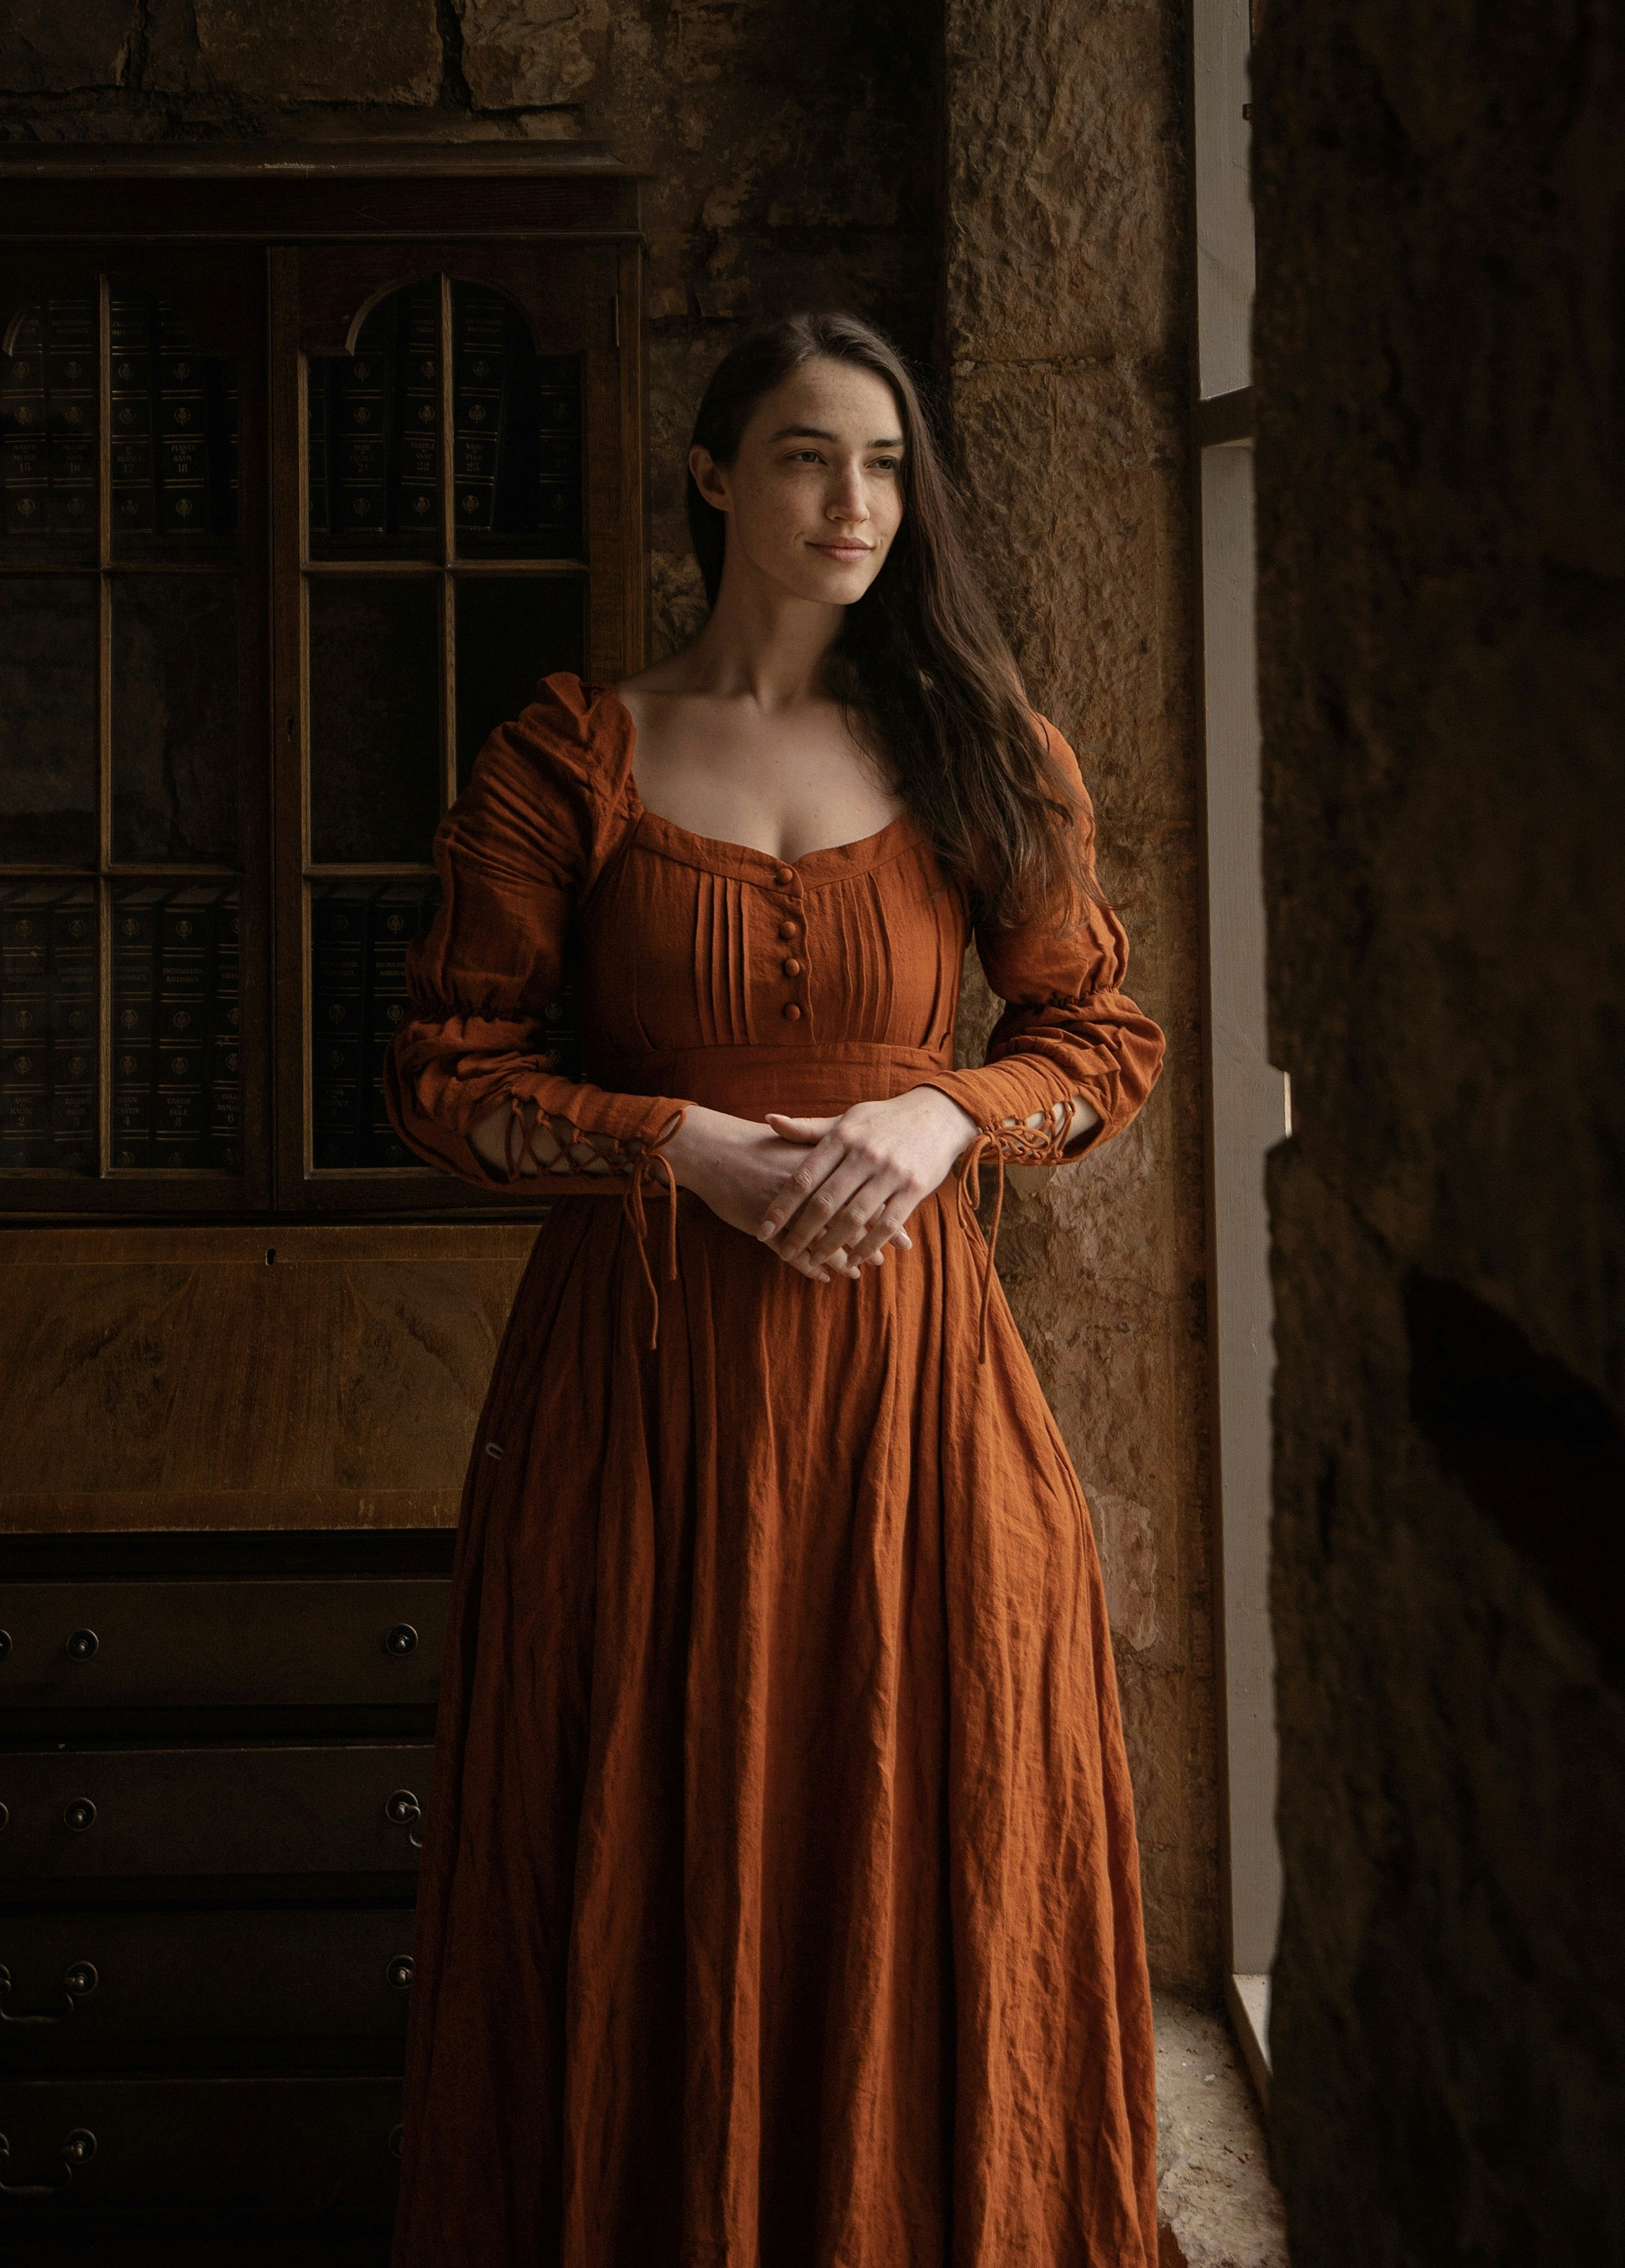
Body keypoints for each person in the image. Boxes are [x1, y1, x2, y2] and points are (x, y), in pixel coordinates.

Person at [384, 310, 1165, 2267]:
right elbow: (441, 1077)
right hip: (643, 1391)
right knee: (648, 1839)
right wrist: (684, 1146)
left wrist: (943, 1118)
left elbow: (1097, 1042)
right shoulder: (570, 752)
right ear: (716, 478)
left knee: (932, 1813)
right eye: (812, 458)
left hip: (914, 1392)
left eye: (887, 465)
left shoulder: (987, 748)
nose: (855, 505)